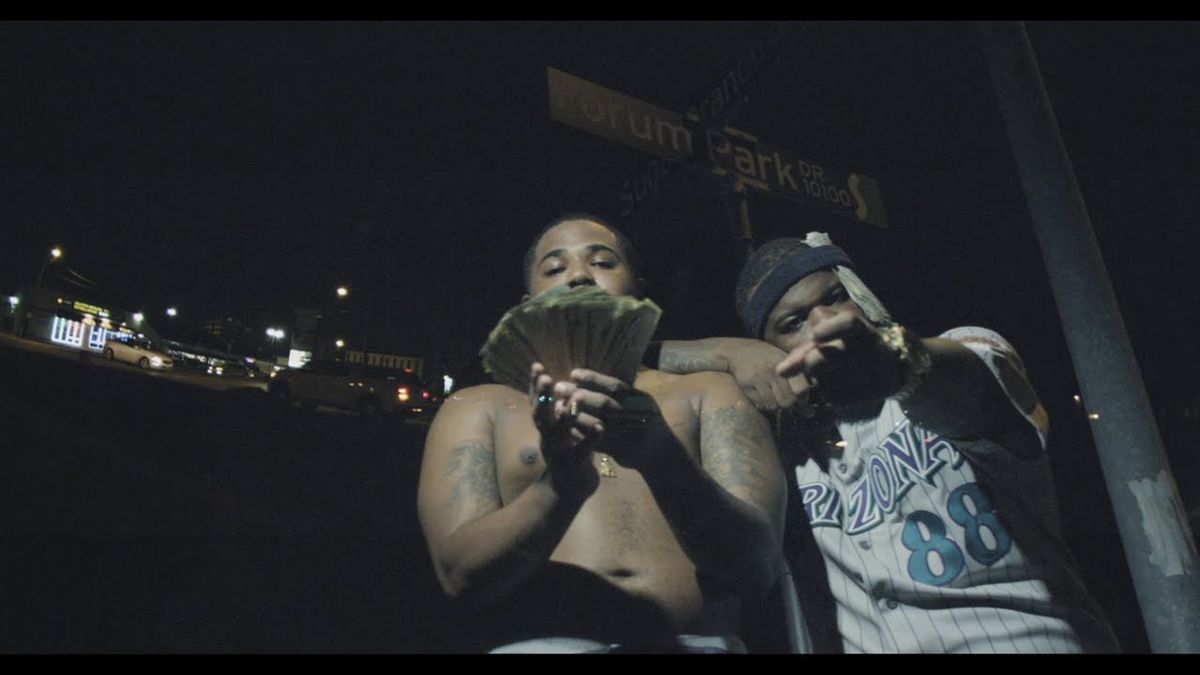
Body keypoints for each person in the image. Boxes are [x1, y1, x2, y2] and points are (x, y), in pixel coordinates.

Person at [652, 232, 1121, 653]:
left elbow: (967, 384)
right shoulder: (786, 444)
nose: (824, 321)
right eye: (793, 322)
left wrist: (897, 363)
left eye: (835, 297)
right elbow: (632, 362)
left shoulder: (958, 351)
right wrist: (726, 352)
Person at [416, 214, 788, 653]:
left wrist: (663, 458)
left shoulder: (709, 393)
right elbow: (461, 578)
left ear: (638, 290)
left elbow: (757, 570)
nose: (578, 276)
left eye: (603, 262)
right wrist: (559, 488)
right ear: (527, 303)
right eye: (555, 268)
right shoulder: (479, 406)